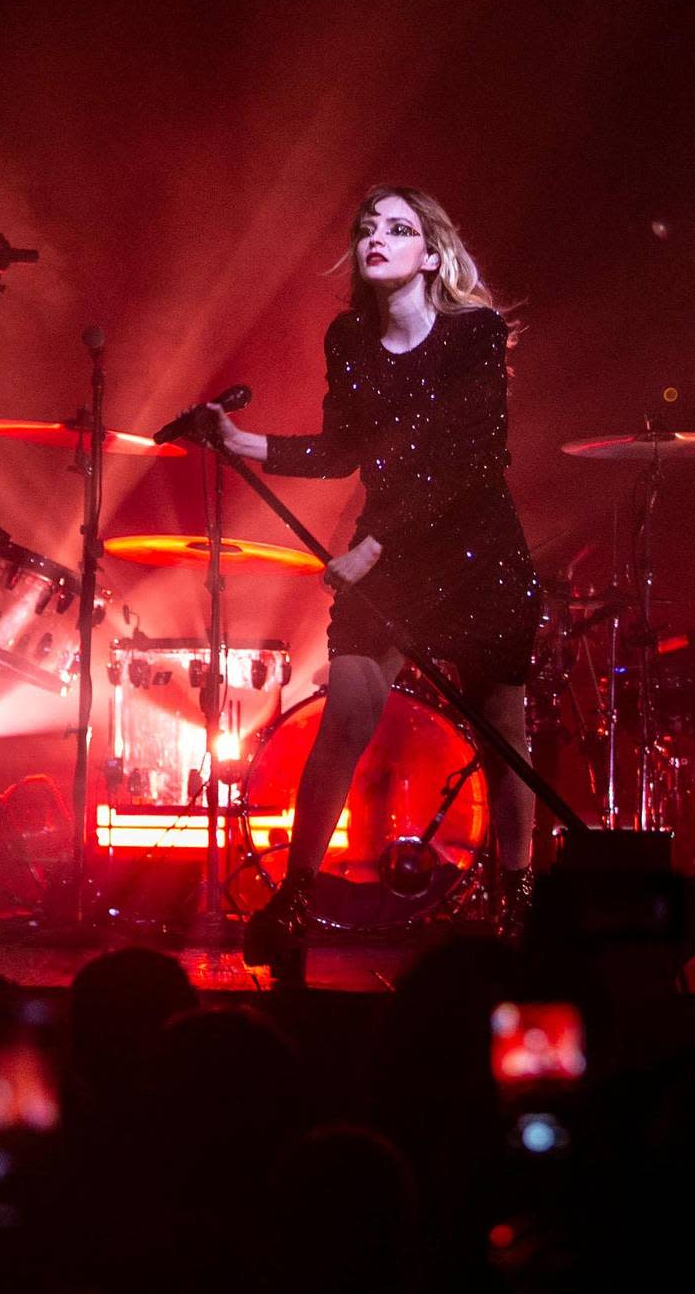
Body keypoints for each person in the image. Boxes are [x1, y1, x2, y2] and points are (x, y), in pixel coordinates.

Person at [216, 187, 541, 980]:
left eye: (398, 228)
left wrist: (371, 547)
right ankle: (295, 896)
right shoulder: (350, 337)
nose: (376, 238)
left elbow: (472, 458)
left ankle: (519, 895)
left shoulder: (475, 335)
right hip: (393, 562)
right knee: (347, 712)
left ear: (431, 253)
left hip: (474, 550)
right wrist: (240, 441)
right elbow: (341, 449)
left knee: (501, 730)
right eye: (366, 227)